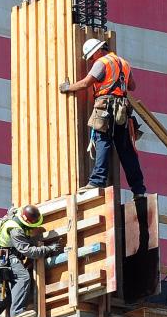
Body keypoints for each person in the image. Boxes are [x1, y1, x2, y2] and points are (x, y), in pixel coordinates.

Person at [59, 38, 147, 198]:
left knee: (103, 143)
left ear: (98, 51)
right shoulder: (124, 63)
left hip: (105, 107)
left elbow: (86, 83)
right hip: (123, 111)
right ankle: (138, 190)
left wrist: (67, 88)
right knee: (127, 151)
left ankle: (97, 181)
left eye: (91, 56)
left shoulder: (102, 63)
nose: (92, 59)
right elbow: (132, 86)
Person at [0, 204, 63, 317]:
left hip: (1, 258)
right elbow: (28, 251)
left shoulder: (14, 215)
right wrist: (49, 248)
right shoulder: (15, 230)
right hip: (8, 258)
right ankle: (17, 313)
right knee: (23, 278)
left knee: (6, 291)